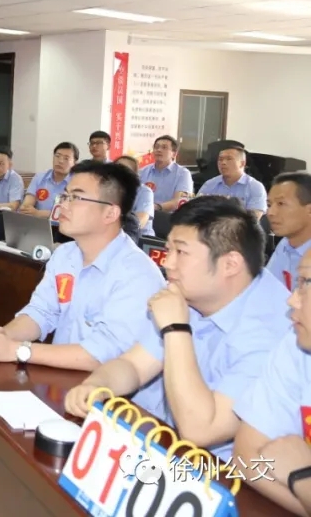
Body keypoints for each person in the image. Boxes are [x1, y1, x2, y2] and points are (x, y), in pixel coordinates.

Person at [64, 197, 289, 462]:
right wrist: (97, 385)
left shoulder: (273, 333)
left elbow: (201, 431)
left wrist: (175, 328)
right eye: (168, 249)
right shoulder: (193, 291)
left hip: (218, 471)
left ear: (230, 264)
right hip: (157, 439)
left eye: (181, 252)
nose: (167, 263)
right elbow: (134, 365)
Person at [0, 161, 165, 371]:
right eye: (64, 196)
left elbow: (103, 355)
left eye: (75, 198)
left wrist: (18, 350)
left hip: (109, 389)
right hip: (63, 379)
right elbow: (41, 312)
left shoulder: (138, 275)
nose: (62, 205)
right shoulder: (64, 255)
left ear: (110, 213)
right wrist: (0, 337)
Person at [232, 249, 311, 515]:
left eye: (306, 283)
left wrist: (302, 477)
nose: (292, 299)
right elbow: (246, 458)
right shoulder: (296, 345)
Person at [266, 172, 311, 290]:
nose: (270, 212)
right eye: (269, 205)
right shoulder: (285, 244)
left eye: (281, 203)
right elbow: (268, 289)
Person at [197, 146, 268, 220]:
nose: (223, 163)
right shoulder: (209, 185)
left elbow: (253, 220)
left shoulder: (255, 187)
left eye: (229, 159)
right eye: (220, 159)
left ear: (242, 163)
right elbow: (196, 211)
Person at [18, 142, 78, 218]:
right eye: (57, 156)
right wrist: (28, 209)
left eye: (66, 158)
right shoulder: (40, 177)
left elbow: (73, 213)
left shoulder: (77, 182)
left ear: (74, 163)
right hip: (38, 223)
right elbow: (26, 206)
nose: (60, 161)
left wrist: (39, 213)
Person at [140, 135, 193, 212]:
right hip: (143, 214)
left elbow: (180, 201)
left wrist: (156, 207)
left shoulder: (183, 174)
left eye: (164, 147)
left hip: (169, 216)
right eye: (156, 147)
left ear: (174, 154)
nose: (159, 150)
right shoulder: (142, 172)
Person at [116, 154, 155, 237]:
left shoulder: (145, 192)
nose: (119, 172)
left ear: (134, 174)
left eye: (124, 169)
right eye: (116, 168)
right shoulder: (108, 190)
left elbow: (140, 221)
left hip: (140, 237)